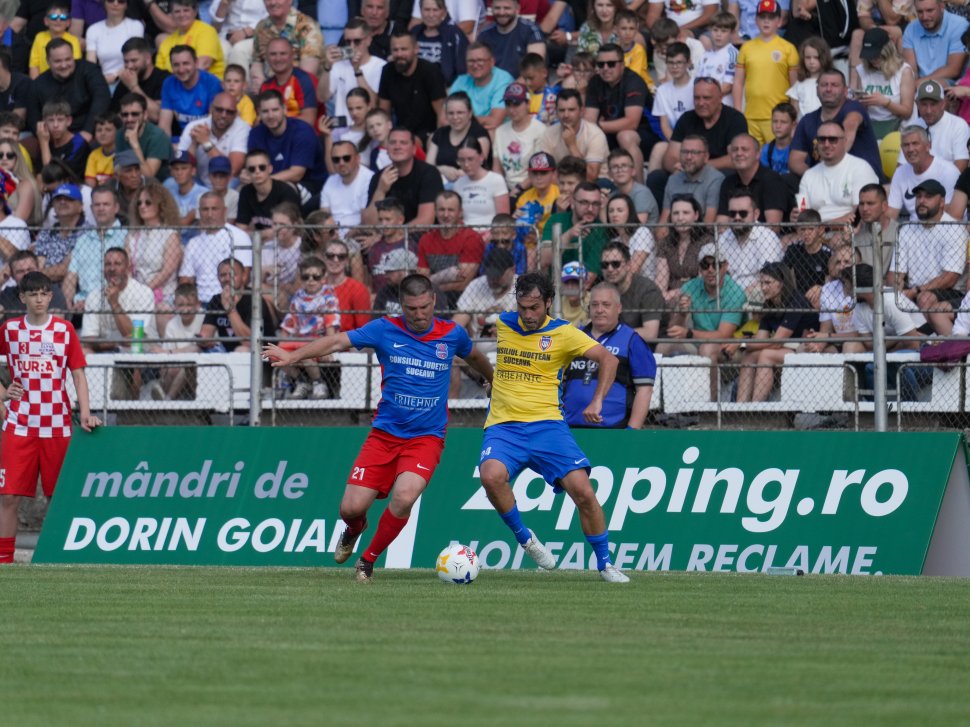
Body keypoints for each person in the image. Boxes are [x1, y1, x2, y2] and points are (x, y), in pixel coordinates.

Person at [263, 273, 495, 582]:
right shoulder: (385, 329)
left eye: (424, 307)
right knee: (351, 508)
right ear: (402, 305)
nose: (419, 314)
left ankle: (367, 561)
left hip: (426, 437)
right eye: (412, 308)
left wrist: (493, 379)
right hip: (384, 436)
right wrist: (293, 355)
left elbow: (475, 356)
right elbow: (336, 340)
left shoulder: (452, 334)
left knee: (405, 496)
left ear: (434, 302)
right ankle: (354, 529)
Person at [477, 272, 628, 582]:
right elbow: (502, 365)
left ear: (548, 303)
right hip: (504, 427)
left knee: (584, 493)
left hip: (548, 427)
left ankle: (606, 563)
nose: (528, 315)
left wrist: (597, 401)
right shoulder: (504, 323)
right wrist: (493, 383)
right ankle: (525, 538)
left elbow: (608, 361)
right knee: (491, 477)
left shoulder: (564, 333)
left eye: (535, 308)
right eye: (523, 308)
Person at [0, 270, 99, 564]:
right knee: (8, 497)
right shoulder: (10, 329)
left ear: (50, 295)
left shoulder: (64, 330)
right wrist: (4, 393)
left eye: (44, 293)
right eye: (33, 294)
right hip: (19, 423)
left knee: (58, 499)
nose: (39, 299)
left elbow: (78, 374)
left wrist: (85, 414)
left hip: (57, 424)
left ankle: (56, 559)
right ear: (23, 298)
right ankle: (4, 561)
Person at [562, 281, 656, 429]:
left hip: (613, 430)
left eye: (606, 304)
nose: (599, 310)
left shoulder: (632, 340)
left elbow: (644, 390)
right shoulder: (575, 336)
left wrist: (631, 432)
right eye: (595, 304)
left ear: (619, 308)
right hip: (570, 428)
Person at [661, 242, 746, 399]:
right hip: (698, 342)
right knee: (663, 345)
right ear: (699, 268)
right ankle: (660, 406)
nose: (710, 270)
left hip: (730, 349)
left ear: (725, 266)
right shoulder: (690, 287)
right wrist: (681, 312)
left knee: (707, 349)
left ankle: (710, 407)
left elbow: (723, 335)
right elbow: (673, 330)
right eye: (705, 265)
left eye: (716, 265)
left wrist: (688, 333)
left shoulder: (736, 292)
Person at [887, 178, 966, 334]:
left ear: (942, 202)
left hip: (950, 292)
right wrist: (897, 290)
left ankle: (931, 343)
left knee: (925, 298)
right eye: (919, 196)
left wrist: (915, 291)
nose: (921, 201)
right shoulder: (907, 228)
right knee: (889, 296)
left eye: (928, 196)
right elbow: (895, 273)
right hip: (914, 290)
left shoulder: (954, 229)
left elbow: (950, 277)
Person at [735, 261, 819, 402]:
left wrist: (742, 344)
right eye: (761, 283)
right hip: (788, 348)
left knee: (766, 355)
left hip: (806, 348)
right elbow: (761, 339)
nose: (763, 288)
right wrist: (744, 345)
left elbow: (776, 343)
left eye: (768, 283)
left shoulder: (796, 302)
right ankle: (740, 408)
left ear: (781, 283)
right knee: (749, 356)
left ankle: (756, 408)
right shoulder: (769, 305)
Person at [788, 69, 884, 181]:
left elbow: (850, 126)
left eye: (834, 85)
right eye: (824, 85)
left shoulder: (854, 108)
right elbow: (795, 161)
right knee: (786, 180)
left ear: (845, 91)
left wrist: (827, 173)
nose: (829, 89)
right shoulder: (807, 120)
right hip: (822, 182)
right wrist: (816, 177)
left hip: (861, 182)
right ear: (817, 90)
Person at [584, 43, 658, 180]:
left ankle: (639, 188)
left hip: (646, 134)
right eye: (601, 64)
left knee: (625, 135)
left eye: (611, 64)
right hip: (610, 133)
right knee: (586, 135)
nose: (605, 68)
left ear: (622, 65)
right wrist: (595, 128)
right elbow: (589, 121)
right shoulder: (595, 82)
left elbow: (632, 123)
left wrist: (600, 126)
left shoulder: (634, 81)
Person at [733, 0, 798, 146]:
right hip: (750, 116)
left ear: (779, 21)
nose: (766, 21)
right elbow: (738, 82)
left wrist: (792, 117)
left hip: (777, 119)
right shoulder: (746, 48)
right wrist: (738, 112)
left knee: (775, 160)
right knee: (751, 160)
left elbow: (795, 87)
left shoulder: (788, 48)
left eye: (771, 17)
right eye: (762, 17)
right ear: (756, 20)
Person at [247, 89, 328, 207]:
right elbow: (252, 165)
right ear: (259, 113)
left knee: (283, 190)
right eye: (265, 111)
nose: (270, 116)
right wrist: (247, 175)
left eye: (275, 110)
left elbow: (296, 174)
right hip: (268, 180)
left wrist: (262, 180)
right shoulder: (256, 134)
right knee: (242, 190)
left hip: (309, 184)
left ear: (284, 109)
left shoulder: (302, 132)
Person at [277, 255, 341, 399]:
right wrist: (281, 345)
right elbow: (289, 325)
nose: (311, 281)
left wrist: (329, 347)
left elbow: (331, 323)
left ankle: (319, 383)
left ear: (323, 277)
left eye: (316, 276)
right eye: (306, 277)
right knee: (275, 353)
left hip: (319, 341)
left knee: (306, 350)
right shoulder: (298, 296)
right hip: (299, 341)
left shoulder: (328, 296)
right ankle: (301, 381)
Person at [26, 38, 110, 142]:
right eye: (58, 61)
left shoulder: (90, 70)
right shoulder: (37, 85)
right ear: (48, 61)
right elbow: (33, 119)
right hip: (54, 139)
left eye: (68, 59)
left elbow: (102, 98)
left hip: (89, 133)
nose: (64, 65)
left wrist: (88, 131)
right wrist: (50, 139)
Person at [796, 121, 879, 223]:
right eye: (821, 139)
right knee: (786, 239)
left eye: (832, 139)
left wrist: (827, 226)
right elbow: (803, 215)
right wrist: (798, 217)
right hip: (814, 235)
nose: (826, 144)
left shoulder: (861, 168)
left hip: (850, 232)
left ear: (844, 141)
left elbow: (860, 214)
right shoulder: (808, 175)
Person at [80, 246, 158, 352]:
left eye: (117, 264)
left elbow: (134, 338)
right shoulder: (93, 296)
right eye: (108, 264)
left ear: (127, 268)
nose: (112, 269)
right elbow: (88, 339)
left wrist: (114, 303)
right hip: (105, 352)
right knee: (84, 351)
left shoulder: (143, 293)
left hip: (140, 353)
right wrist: (117, 342)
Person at [62, 184, 127, 311]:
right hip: (81, 305)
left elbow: (127, 277)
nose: (101, 208)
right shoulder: (83, 240)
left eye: (106, 204)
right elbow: (71, 277)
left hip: (114, 302)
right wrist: (68, 304)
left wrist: (92, 302)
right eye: (97, 205)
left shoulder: (127, 237)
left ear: (116, 208)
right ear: (91, 208)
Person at [179, 192, 253, 302]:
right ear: (200, 212)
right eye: (205, 209)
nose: (209, 214)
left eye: (214, 209)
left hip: (231, 300)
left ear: (224, 211)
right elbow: (185, 280)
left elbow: (244, 277)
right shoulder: (193, 243)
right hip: (199, 303)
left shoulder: (238, 236)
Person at [378, 26, 446, 145]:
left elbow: (442, 114)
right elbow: (384, 112)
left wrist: (439, 145)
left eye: (404, 49)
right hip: (401, 132)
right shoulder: (387, 71)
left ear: (416, 49)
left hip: (428, 133)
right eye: (395, 50)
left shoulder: (430, 72)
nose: (399, 54)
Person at [416, 189, 485, 306]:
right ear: (435, 212)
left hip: (465, 299)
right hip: (432, 300)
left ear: (460, 212)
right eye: (441, 210)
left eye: (451, 210)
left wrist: (430, 284)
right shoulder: (426, 239)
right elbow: (422, 280)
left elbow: (462, 284)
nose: (446, 215)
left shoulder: (471, 238)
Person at [364, 127, 443, 225]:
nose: (397, 146)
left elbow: (426, 221)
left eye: (403, 143)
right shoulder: (379, 177)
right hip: (388, 236)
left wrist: (394, 235)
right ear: (387, 149)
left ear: (414, 149)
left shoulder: (429, 174)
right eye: (392, 142)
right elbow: (369, 224)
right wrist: (380, 190)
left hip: (420, 237)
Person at [849, 27, 916, 140]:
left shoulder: (904, 71)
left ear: (887, 51)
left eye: (877, 55)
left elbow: (907, 112)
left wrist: (885, 102)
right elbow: (859, 107)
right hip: (870, 124)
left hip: (897, 126)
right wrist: (861, 103)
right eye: (870, 56)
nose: (873, 59)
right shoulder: (862, 70)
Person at [198, 256, 276, 353]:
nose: (227, 278)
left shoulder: (254, 300)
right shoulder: (216, 300)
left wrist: (231, 310)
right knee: (194, 349)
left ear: (243, 276)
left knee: (241, 350)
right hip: (227, 351)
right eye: (223, 275)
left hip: (262, 355)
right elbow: (206, 333)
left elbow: (250, 342)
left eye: (232, 274)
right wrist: (203, 340)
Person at [717, 188, 784, 293]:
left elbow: (769, 280)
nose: (737, 217)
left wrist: (739, 297)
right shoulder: (724, 238)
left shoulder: (767, 238)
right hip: (728, 296)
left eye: (743, 213)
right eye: (732, 213)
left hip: (760, 298)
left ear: (756, 214)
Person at [716, 132, 792, 225]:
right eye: (735, 149)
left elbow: (773, 227)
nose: (739, 153)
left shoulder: (772, 180)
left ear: (757, 154)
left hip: (767, 238)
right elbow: (721, 224)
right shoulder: (728, 182)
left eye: (745, 149)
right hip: (733, 237)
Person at [599, 241, 666, 341]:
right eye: (605, 265)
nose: (610, 269)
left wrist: (613, 334)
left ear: (628, 265)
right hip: (618, 344)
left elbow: (650, 333)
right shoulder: (602, 290)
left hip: (651, 348)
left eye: (615, 264)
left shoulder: (647, 289)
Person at [887, 125, 960, 218]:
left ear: (928, 146)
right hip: (912, 229)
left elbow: (949, 215)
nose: (910, 149)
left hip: (942, 228)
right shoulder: (900, 172)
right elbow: (892, 213)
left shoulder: (948, 171)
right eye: (906, 145)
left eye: (915, 143)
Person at [178, 92, 249, 184]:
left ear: (236, 114)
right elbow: (181, 168)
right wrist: (194, 143)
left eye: (229, 112)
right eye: (219, 110)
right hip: (199, 182)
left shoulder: (242, 128)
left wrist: (206, 142)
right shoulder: (194, 126)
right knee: (171, 183)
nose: (224, 115)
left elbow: (232, 170)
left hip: (227, 183)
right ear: (211, 109)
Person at [539, 88, 608, 180]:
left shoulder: (595, 134)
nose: (566, 115)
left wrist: (572, 146)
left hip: (595, 185)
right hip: (562, 183)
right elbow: (545, 172)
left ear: (581, 111)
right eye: (562, 110)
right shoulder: (548, 133)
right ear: (556, 112)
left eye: (571, 110)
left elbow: (591, 176)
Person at [158, 45, 223, 142]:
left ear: (196, 63)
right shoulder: (169, 83)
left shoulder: (212, 83)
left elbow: (212, 125)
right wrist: (167, 148)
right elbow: (164, 125)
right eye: (176, 65)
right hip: (182, 139)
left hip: (206, 139)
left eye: (186, 63)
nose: (181, 69)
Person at [658, 194, 713, 304]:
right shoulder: (665, 243)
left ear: (696, 215)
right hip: (669, 298)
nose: (680, 218)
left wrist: (676, 293)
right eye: (676, 213)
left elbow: (702, 280)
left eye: (686, 213)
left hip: (698, 295)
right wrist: (662, 296)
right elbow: (660, 280)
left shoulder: (707, 241)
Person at [493, 81, 546, 195]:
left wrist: (518, 189)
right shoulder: (500, 131)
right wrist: (500, 190)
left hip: (532, 189)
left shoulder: (540, 130)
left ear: (528, 104)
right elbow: (496, 168)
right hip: (505, 188)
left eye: (516, 104)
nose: (512, 109)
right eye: (508, 104)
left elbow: (539, 171)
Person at [427, 92, 492, 184]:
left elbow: (478, 165)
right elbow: (428, 166)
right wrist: (442, 169)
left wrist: (456, 174)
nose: (455, 117)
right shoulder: (440, 133)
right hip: (442, 184)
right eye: (451, 113)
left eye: (460, 113)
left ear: (470, 113)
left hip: (472, 184)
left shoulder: (479, 134)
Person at [659, 135, 724, 226]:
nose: (688, 157)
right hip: (674, 237)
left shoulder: (716, 179)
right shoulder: (673, 179)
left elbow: (708, 225)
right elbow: (664, 222)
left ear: (706, 157)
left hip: (703, 238)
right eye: (685, 152)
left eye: (694, 152)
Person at [447, 42, 513, 131]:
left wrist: (460, 120)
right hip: (463, 130)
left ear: (492, 62)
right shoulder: (461, 81)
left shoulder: (503, 80)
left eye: (480, 60)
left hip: (495, 133)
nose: (475, 65)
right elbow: (443, 119)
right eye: (471, 61)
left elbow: (494, 121)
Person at [901, 0, 968, 84]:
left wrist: (919, 83)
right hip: (917, 84)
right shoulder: (911, 29)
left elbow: (953, 70)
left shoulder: (959, 25)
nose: (924, 17)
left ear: (942, 6)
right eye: (920, 12)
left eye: (930, 10)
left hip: (950, 83)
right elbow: (910, 70)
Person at [235, 148, 302, 232]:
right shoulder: (245, 192)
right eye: (252, 169)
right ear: (247, 172)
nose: (257, 171)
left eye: (262, 167)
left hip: (285, 242)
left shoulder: (286, 192)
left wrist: (256, 235)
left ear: (270, 169)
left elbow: (284, 230)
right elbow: (241, 229)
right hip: (258, 242)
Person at [155, 0, 225, 79]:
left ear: (195, 12)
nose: (182, 15)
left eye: (186, 10)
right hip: (176, 88)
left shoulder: (206, 31)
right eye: (177, 11)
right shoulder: (166, 43)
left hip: (208, 86)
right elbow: (159, 75)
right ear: (172, 15)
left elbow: (203, 65)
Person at [84, 0, 144, 89]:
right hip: (102, 82)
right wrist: (101, 80)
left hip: (129, 80)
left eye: (121, 1)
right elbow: (90, 64)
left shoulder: (135, 26)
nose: (115, 4)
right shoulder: (93, 30)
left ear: (126, 5)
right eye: (111, 0)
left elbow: (136, 59)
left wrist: (115, 77)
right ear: (104, 3)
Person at [452, 136, 510, 228]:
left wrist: (489, 235)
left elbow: (503, 219)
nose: (466, 165)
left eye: (470, 159)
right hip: (465, 234)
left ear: (481, 157)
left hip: (491, 234)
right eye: (462, 160)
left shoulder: (496, 180)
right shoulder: (458, 184)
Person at [260, 38, 317, 127]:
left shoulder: (304, 80)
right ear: (267, 57)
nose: (278, 59)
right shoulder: (265, 86)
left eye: (283, 54)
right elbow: (261, 119)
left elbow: (309, 120)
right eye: (273, 54)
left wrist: (277, 121)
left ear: (292, 55)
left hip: (303, 136)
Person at [478, 0, 545, 76]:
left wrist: (512, 87)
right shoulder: (484, 35)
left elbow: (535, 69)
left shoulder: (531, 31)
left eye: (507, 8)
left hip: (522, 85)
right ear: (492, 9)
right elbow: (476, 66)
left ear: (517, 9)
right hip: (491, 85)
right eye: (497, 8)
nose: (501, 12)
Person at [411, 0, 469, 87]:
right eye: (427, 10)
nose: (431, 15)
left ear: (444, 12)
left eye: (435, 10)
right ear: (420, 11)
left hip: (445, 89)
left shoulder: (454, 34)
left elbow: (462, 70)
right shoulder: (414, 32)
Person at [110, 37, 169, 122]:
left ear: (148, 59)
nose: (129, 66)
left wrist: (133, 87)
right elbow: (114, 117)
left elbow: (157, 116)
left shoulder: (164, 78)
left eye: (134, 61)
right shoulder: (125, 81)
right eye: (126, 62)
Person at [320, 140, 375, 232]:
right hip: (333, 235)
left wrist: (346, 239)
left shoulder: (370, 179)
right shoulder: (330, 181)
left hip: (360, 235)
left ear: (358, 158)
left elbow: (366, 222)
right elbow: (323, 216)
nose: (341, 163)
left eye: (346, 158)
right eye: (336, 160)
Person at [0, 250, 68, 322]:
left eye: (30, 269)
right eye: (20, 271)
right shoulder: (7, 294)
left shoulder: (51, 290)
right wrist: (1, 280)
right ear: (12, 275)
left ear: (38, 269)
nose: (26, 274)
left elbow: (56, 323)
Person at [37, 99, 90, 179]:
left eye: (60, 120)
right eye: (51, 120)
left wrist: (44, 143)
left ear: (68, 121)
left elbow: (52, 177)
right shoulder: (46, 141)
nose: (55, 125)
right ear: (44, 122)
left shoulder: (78, 143)